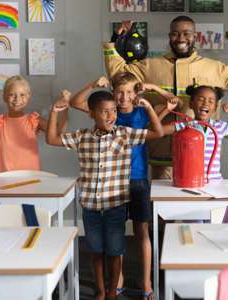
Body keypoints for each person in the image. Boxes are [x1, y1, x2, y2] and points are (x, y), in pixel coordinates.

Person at [104, 15, 228, 179]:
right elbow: (118, 75)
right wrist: (115, 38)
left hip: (200, 154)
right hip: (161, 152)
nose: (181, 38)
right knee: (163, 202)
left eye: (186, 33)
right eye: (175, 34)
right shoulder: (150, 66)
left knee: (200, 201)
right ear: (170, 37)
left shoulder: (212, 68)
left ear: (195, 36)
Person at [46, 90, 163, 300]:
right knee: (95, 250)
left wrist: (148, 108)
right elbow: (52, 139)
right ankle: (101, 290)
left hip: (115, 205)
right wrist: (54, 112)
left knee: (115, 251)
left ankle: (112, 292)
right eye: (104, 111)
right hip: (90, 206)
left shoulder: (124, 134)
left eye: (113, 111)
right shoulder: (82, 136)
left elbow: (158, 133)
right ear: (91, 113)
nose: (111, 115)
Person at [69, 72, 177, 300]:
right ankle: (117, 281)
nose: (124, 97)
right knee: (114, 233)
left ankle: (145, 281)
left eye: (129, 92)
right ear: (112, 94)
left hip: (137, 179)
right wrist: (92, 83)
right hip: (109, 182)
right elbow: (75, 102)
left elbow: (172, 101)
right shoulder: (109, 113)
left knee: (141, 230)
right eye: (119, 92)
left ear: (136, 94)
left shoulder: (142, 113)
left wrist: (150, 88)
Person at [0, 76, 68, 174]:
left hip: (31, 178)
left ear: (28, 97)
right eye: (12, 95)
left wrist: (65, 108)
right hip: (4, 178)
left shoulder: (34, 120)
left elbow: (59, 131)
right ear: (4, 97)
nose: (17, 99)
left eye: (22, 95)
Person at [160, 84, 228, 179]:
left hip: (214, 181)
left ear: (215, 108)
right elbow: (157, 131)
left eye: (211, 101)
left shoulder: (219, 126)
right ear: (191, 103)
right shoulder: (184, 125)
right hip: (189, 181)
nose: (205, 103)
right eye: (201, 99)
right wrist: (166, 110)